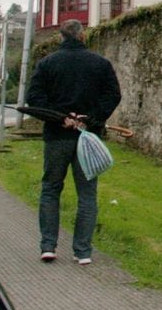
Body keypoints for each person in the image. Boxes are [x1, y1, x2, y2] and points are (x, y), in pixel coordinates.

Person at [25, 19, 121, 265]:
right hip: (87, 138)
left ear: (61, 38)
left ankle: (48, 246)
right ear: (82, 36)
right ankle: (83, 251)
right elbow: (113, 95)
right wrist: (90, 118)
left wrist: (60, 118)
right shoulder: (100, 63)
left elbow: (34, 98)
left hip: (57, 136)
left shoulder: (47, 64)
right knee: (87, 194)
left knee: (51, 189)